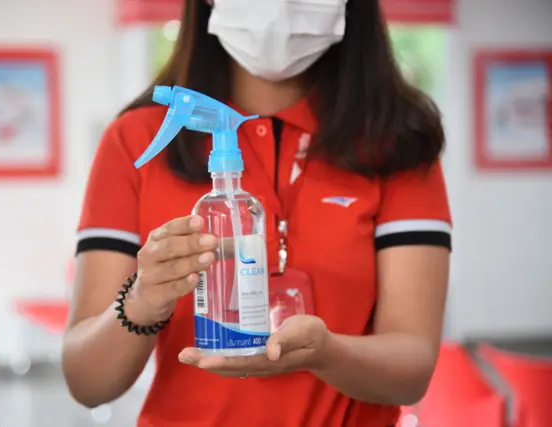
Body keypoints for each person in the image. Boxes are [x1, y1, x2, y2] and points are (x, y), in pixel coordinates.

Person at [62, 0, 452, 426]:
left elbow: (412, 370)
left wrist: (327, 353)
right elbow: (87, 384)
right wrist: (142, 301)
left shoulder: (398, 142)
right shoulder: (135, 140)